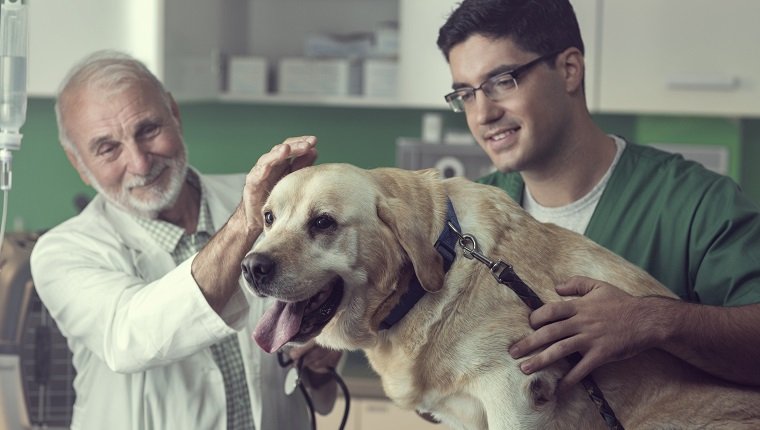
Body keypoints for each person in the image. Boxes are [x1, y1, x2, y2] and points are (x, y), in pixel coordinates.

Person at [436, 0, 760, 392]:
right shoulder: (468, 213)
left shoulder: (697, 204)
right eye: (466, 95)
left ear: (569, 70)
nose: (482, 114)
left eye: (502, 81)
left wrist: (652, 320)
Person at [29, 50, 342, 429]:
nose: (141, 163)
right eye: (108, 148)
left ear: (174, 115)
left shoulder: (269, 204)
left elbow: (296, 347)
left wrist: (319, 360)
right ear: (78, 162)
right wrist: (246, 221)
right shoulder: (62, 252)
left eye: (148, 130)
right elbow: (133, 337)